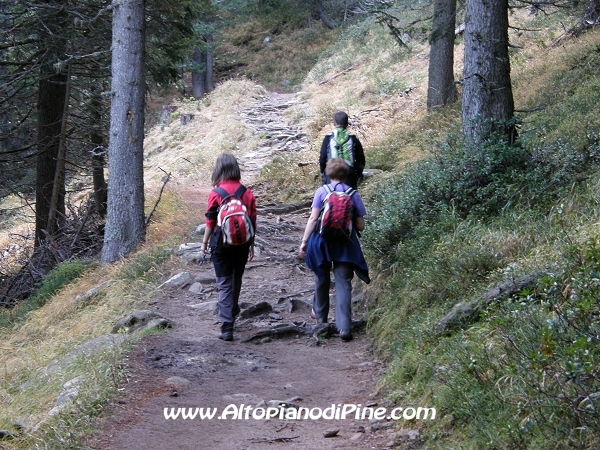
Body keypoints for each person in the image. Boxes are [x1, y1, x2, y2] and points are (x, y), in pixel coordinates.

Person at [299, 158, 370, 342]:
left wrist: (304, 242)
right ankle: (344, 327)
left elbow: (313, 219)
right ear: (346, 174)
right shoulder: (353, 194)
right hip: (346, 244)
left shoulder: (321, 192)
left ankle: (321, 322)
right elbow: (360, 226)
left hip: (322, 242)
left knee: (321, 279)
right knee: (343, 283)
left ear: (328, 174)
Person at [201, 153, 256, 341]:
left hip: (220, 243)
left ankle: (227, 327)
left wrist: (205, 243)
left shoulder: (216, 193)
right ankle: (232, 309)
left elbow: (210, 221)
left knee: (224, 283)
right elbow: (252, 220)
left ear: (219, 170)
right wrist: (251, 244)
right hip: (242, 243)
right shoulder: (246, 192)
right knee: (236, 278)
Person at [319, 111, 365, 189]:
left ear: (334, 123)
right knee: (351, 197)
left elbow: (322, 159)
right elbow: (361, 159)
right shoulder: (353, 138)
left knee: (328, 197)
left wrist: (324, 173)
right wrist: (358, 173)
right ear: (347, 124)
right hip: (349, 174)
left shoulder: (328, 138)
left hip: (331, 175)